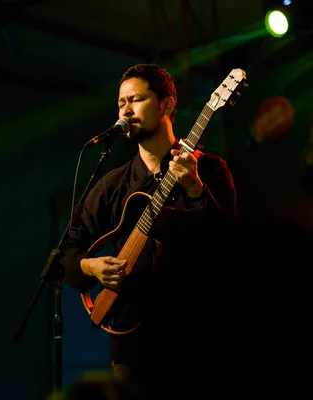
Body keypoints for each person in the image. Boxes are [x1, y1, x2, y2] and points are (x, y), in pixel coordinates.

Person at [59, 64, 237, 398]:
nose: (125, 109)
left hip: (198, 338)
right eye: (121, 102)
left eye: (136, 99)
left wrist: (196, 190)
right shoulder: (113, 185)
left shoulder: (210, 170)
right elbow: (66, 252)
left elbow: (226, 248)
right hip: (132, 345)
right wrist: (90, 266)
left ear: (167, 105)